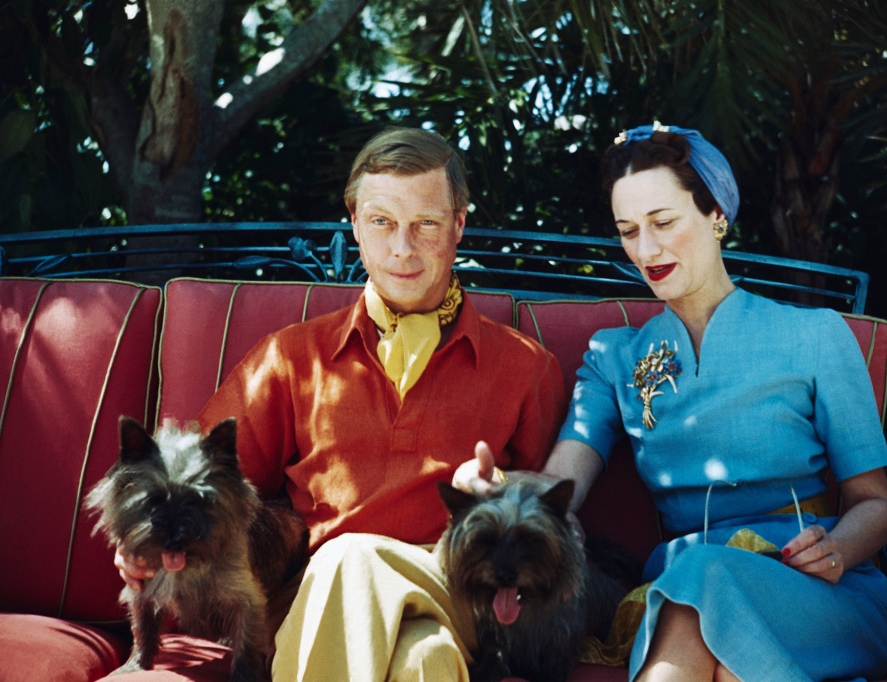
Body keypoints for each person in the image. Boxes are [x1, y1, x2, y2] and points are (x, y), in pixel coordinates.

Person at [111, 126, 567, 681]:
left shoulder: (526, 367)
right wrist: (144, 545)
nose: (402, 248)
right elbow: (199, 484)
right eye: (382, 222)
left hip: (460, 587)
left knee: (353, 557)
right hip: (317, 596)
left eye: (425, 223)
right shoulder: (291, 357)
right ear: (353, 224)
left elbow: (555, 526)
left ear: (459, 224)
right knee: (426, 658)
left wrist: (508, 489)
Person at [463, 123, 887, 682]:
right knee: (703, 595)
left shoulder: (815, 336)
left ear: (717, 214)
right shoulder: (615, 356)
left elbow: (876, 503)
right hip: (679, 586)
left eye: (663, 223)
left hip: (815, 588)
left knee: (707, 590)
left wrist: (837, 549)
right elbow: (564, 479)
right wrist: (504, 492)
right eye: (628, 231)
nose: (646, 250)